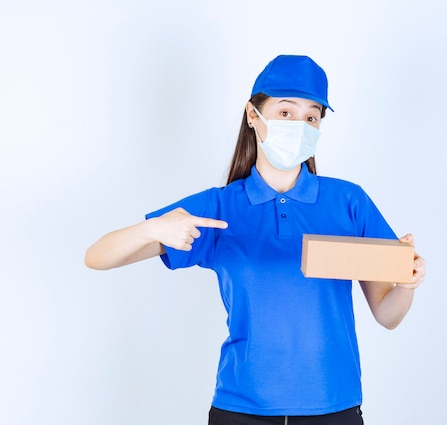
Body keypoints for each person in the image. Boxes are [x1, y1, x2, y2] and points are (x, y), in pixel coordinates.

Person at [85, 54, 427, 425]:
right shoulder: (219, 208)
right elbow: (97, 256)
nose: (299, 125)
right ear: (253, 115)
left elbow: (387, 315)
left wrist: (407, 285)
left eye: (311, 117)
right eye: (285, 113)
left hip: (334, 407)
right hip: (241, 409)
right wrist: (152, 229)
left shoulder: (348, 203)